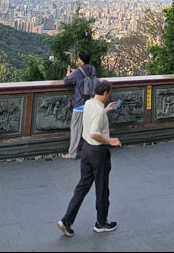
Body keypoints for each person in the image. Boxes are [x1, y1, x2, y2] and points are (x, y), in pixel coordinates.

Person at [57, 79, 120, 237]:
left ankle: (66, 220)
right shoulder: (98, 110)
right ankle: (101, 222)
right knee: (102, 188)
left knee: (82, 187)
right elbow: (94, 133)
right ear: (105, 93)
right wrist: (110, 140)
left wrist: (106, 110)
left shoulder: (89, 103)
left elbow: (93, 119)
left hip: (86, 150)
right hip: (98, 152)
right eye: (108, 94)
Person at [62, 51, 96, 159]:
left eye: (79, 59)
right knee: (90, 128)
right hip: (91, 102)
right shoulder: (93, 69)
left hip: (80, 104)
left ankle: (72, 153)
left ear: (81, 60)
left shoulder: (77, 71)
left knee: (76, 129)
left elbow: (66, 81)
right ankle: (93, 151)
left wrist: (69, 74)